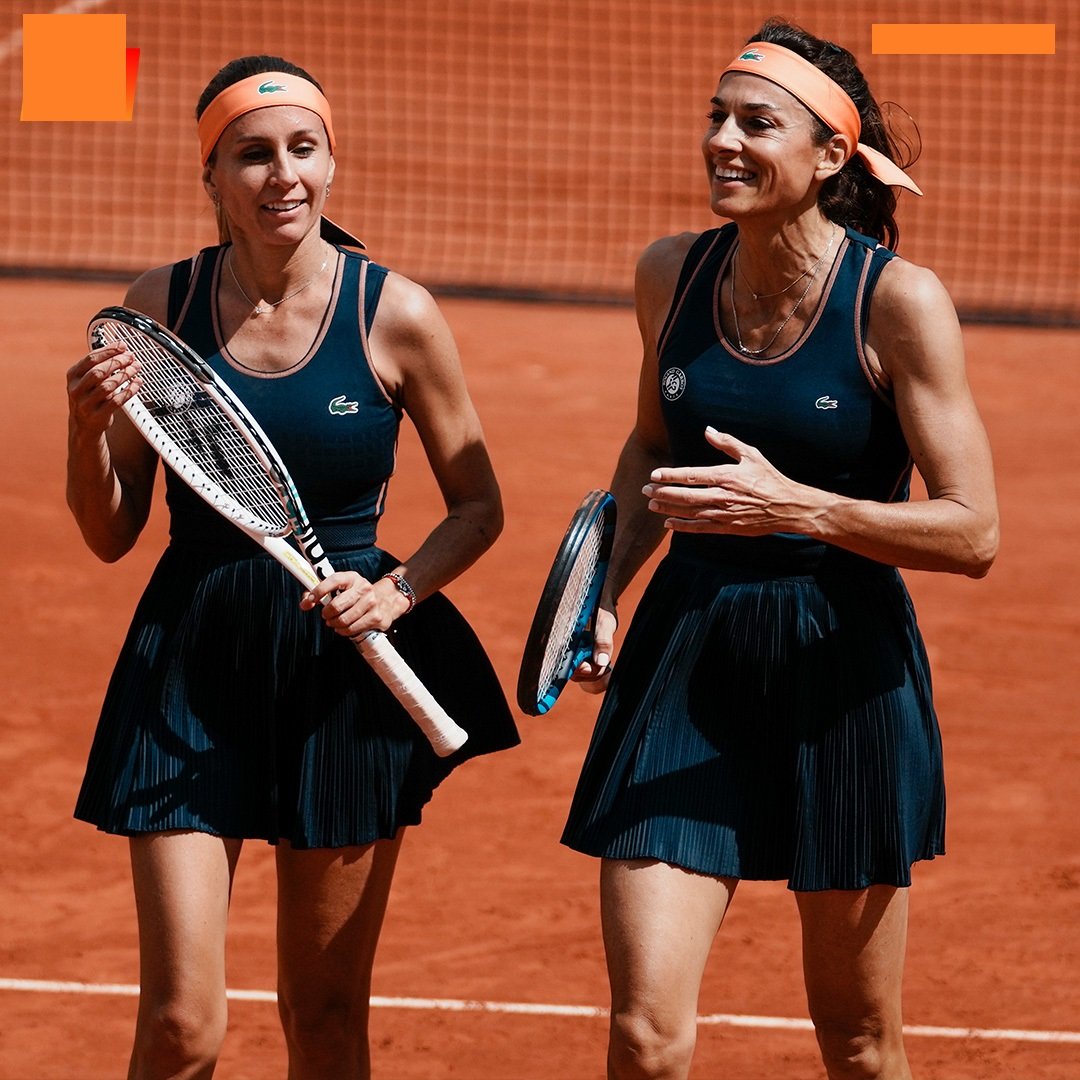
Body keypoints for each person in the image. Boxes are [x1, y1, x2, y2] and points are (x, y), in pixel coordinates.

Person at [65, 55, 518, 1080]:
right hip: (190, 659)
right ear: (211, 177)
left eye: (303, 149)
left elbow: (480, 505)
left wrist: (397, 591)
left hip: (342, 670)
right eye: (253, 155)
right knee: (182, 1026)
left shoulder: (394, 312)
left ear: (331, 161)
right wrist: (84, 429)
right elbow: (109, 529)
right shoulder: (160, 307)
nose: (283, 177)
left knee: (321, 1017)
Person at [561, 18, 998, 1080]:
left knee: (856, 1042)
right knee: (645, 1038)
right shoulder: (670, 272)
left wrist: (797, 507)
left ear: (830, 156)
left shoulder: (896, 302)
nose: (723, 140)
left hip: (840, 666)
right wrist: (608, 587)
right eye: (717, 117)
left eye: (756, 123)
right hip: (685, 659)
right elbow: (650, 451)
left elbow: (973, 529)